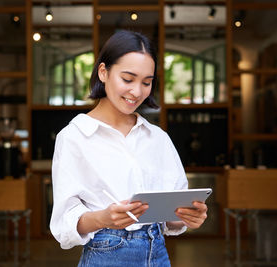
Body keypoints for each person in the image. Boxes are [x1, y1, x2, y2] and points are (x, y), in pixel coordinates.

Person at [50, 30, 208, 267]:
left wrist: (186, 218)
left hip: (158, 254)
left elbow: (171, 219)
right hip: (105, 253)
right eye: (128, 79)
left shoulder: (157, 138)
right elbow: (64, 225)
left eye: (146, 82)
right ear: (103, 72)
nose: (137, 92)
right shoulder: (74, 137)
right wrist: (103, 218)